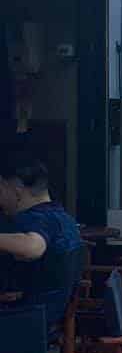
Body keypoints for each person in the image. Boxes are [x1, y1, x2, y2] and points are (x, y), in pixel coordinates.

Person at [0, 137, 83, 332]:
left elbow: (33, 247)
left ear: (14, 189)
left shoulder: (34, 219)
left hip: (19, 322)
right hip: (44, 320)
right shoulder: (65, 219)